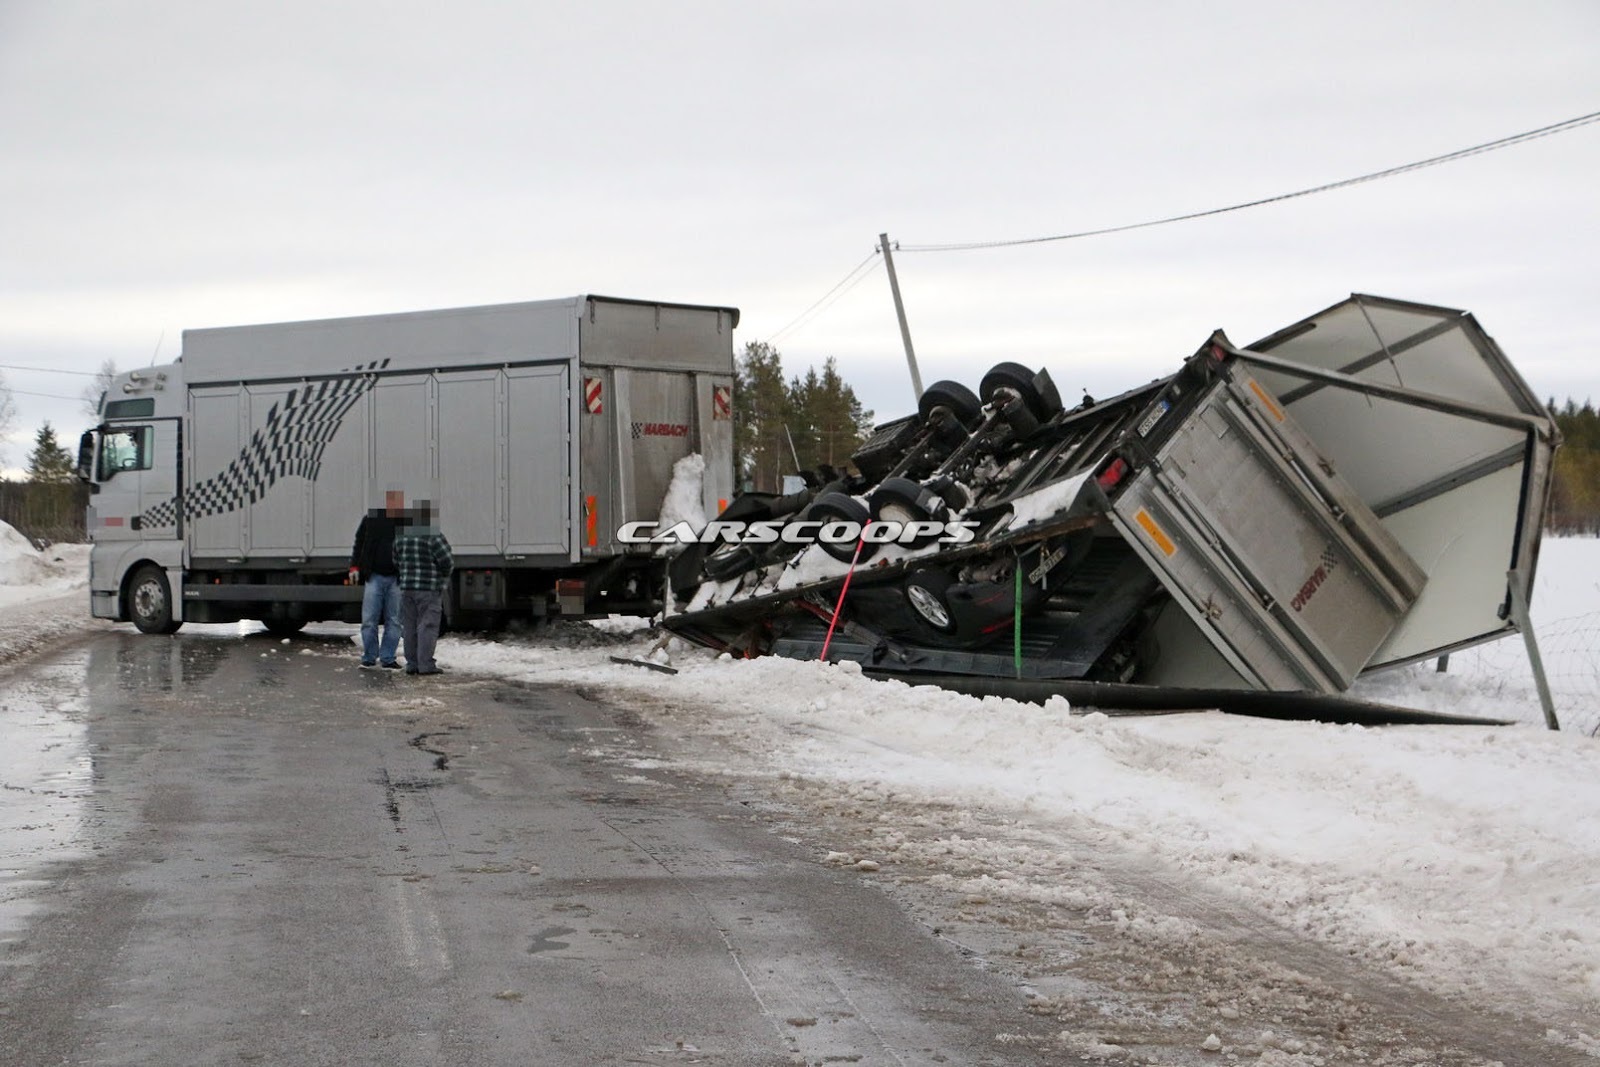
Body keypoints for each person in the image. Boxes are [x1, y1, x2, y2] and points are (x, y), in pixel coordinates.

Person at [394, 499, 453, 676]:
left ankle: (412, 664)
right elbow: (446, 560)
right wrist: (442, 575)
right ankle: (426, 665)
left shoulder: (401, 537)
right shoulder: (433, 536)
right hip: (428, 588)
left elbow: (396, 560)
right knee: (427, 626)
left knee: (410, 626)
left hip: (407, 588)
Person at [349, 489, 407, 668]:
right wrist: (354, 566)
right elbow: (359, 543)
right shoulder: (371, 520)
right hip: (374, 576)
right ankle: (369, 657)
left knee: (394, 621)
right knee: (369, 621)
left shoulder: (405, 523)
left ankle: (387, 658)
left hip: (395, 579)